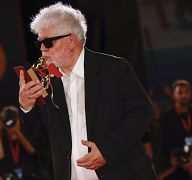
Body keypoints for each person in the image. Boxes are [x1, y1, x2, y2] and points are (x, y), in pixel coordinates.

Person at [18, 2, 155, 180]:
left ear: (71, 41)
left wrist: (108, 150)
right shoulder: (46, 80)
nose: (43, 49)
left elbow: (142, 113)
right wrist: (26, 107)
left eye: (48, 42)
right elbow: (40, 142)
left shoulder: (113, 68)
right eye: (40, 43)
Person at [0, 106, 45, 179]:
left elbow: (32, 150)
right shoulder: (3, 139)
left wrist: (17, 130)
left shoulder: (27, 133)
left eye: (13, 120)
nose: (10, 124)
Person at [159, 80, 192, 180]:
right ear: (173, 95)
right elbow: (166, 143)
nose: (184, 95)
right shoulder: (167, 117)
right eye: (180, 93)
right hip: (177, 159)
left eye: (186, 92)